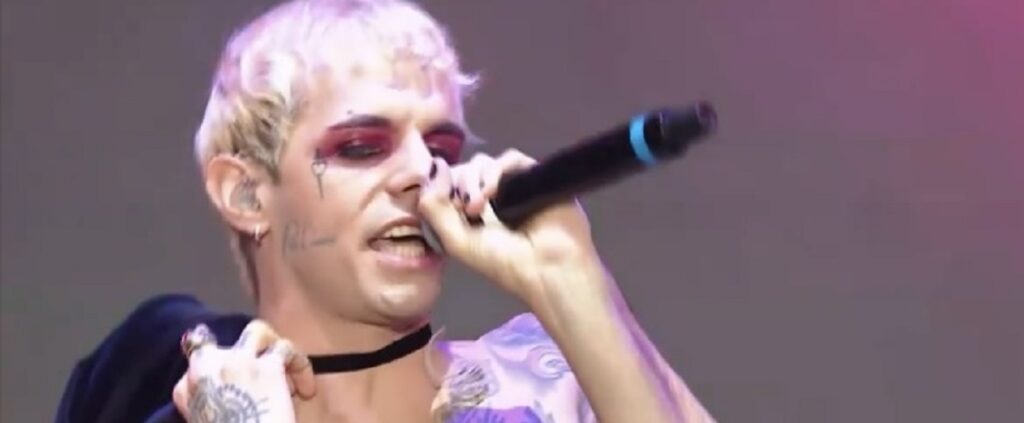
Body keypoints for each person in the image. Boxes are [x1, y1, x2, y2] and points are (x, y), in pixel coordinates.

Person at [56, 0, 715, 421]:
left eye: (441, 147)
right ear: (246, 194)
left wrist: (570, 280)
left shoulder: (553, 380)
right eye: (362, 147)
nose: (422, 172)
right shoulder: (193, 405)